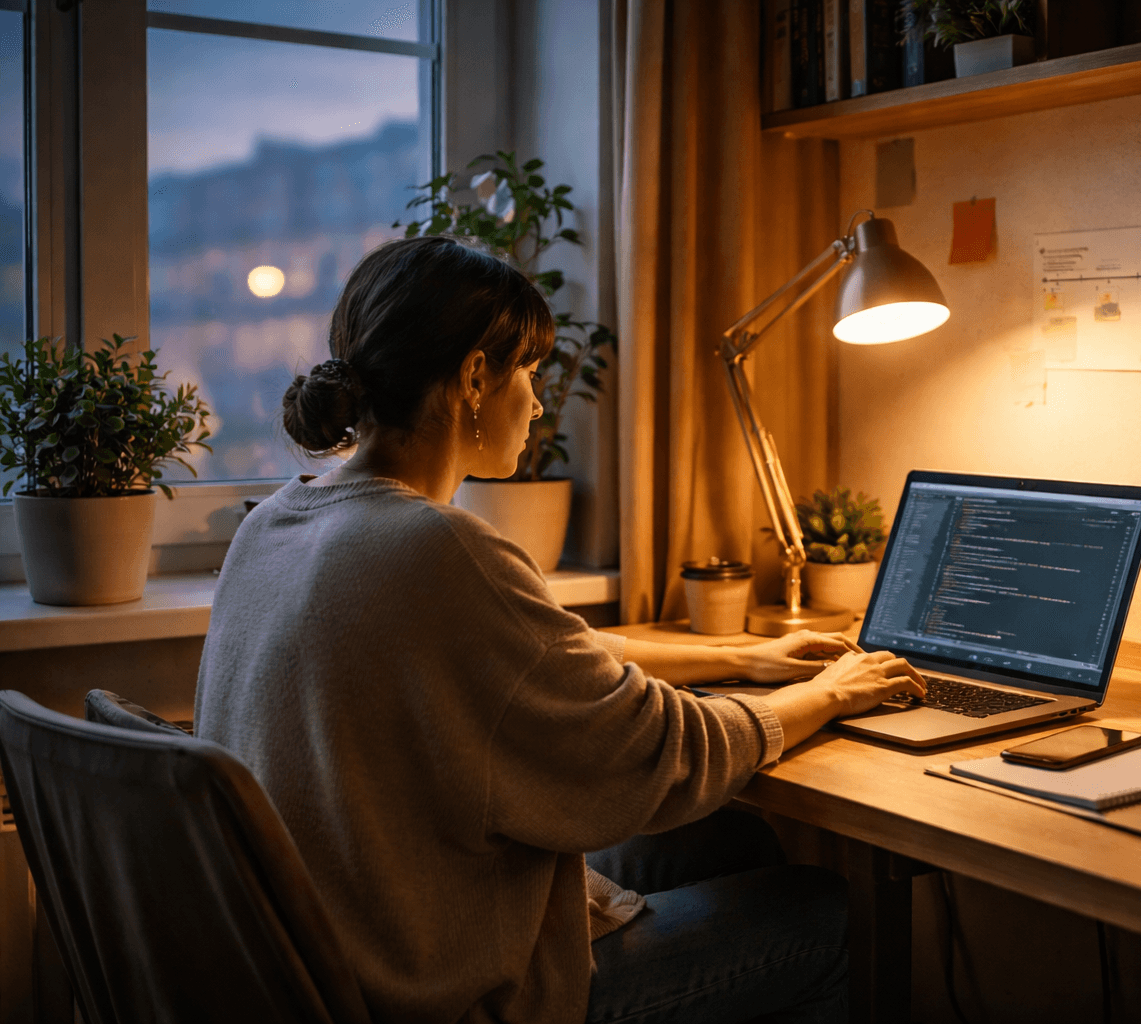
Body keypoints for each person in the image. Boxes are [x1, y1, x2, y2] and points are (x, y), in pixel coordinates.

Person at [194, 235, 926, 1024]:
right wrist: (826, 696)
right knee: (820, 912)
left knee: (724, 850)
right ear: (476, 376)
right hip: (441, 992)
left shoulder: (281, 518)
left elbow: (536, 654)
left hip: (331, 959)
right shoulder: (437, 545)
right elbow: (657, 751)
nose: (539, 402)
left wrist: (741, 656)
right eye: (530, 372)